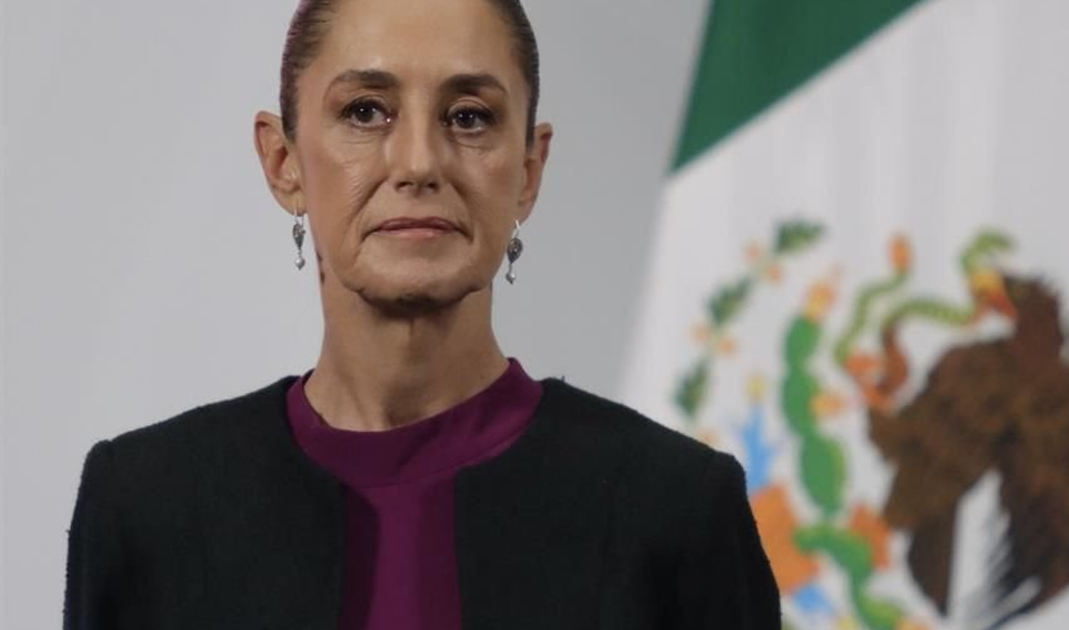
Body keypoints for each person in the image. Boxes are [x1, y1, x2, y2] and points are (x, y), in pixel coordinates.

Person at [62, 0, 781, 628]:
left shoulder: (677, 509)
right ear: (283, 161)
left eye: (469, 117)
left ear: (528, 172)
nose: (418, 163)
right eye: (365, 112)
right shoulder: (146, 503)